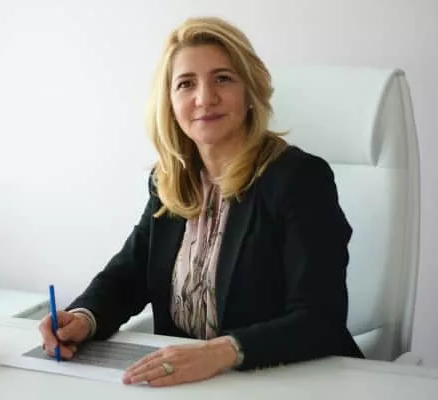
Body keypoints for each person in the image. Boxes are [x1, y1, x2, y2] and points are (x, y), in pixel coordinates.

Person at [38, 16, 364, 387]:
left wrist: (220, 352)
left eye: (222, 79)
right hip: (196, 386)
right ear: (170, 102)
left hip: (291, 382)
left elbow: (320, 318)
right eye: (186, 83)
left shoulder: (298, 178)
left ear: (250, 90)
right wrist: (83, 317)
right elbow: (128, 275)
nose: (205, 98)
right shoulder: (170, 181)